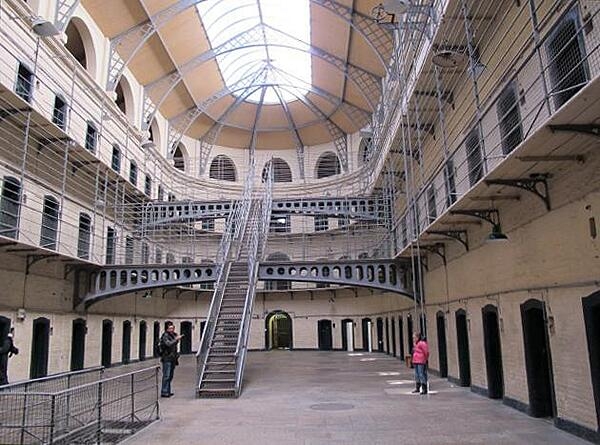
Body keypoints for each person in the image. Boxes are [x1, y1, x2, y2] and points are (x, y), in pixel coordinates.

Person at [159, 322, 183, 398]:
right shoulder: (165, 336)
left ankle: (168, 391)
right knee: (166, 375)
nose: (172, 330)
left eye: (173, 328)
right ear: (167, 329)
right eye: (170, 328)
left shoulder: (173, 335)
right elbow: (168, 344)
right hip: (167, 358)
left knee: (170, 376)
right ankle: (164, 391)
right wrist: (176, 339)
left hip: (172, 358)